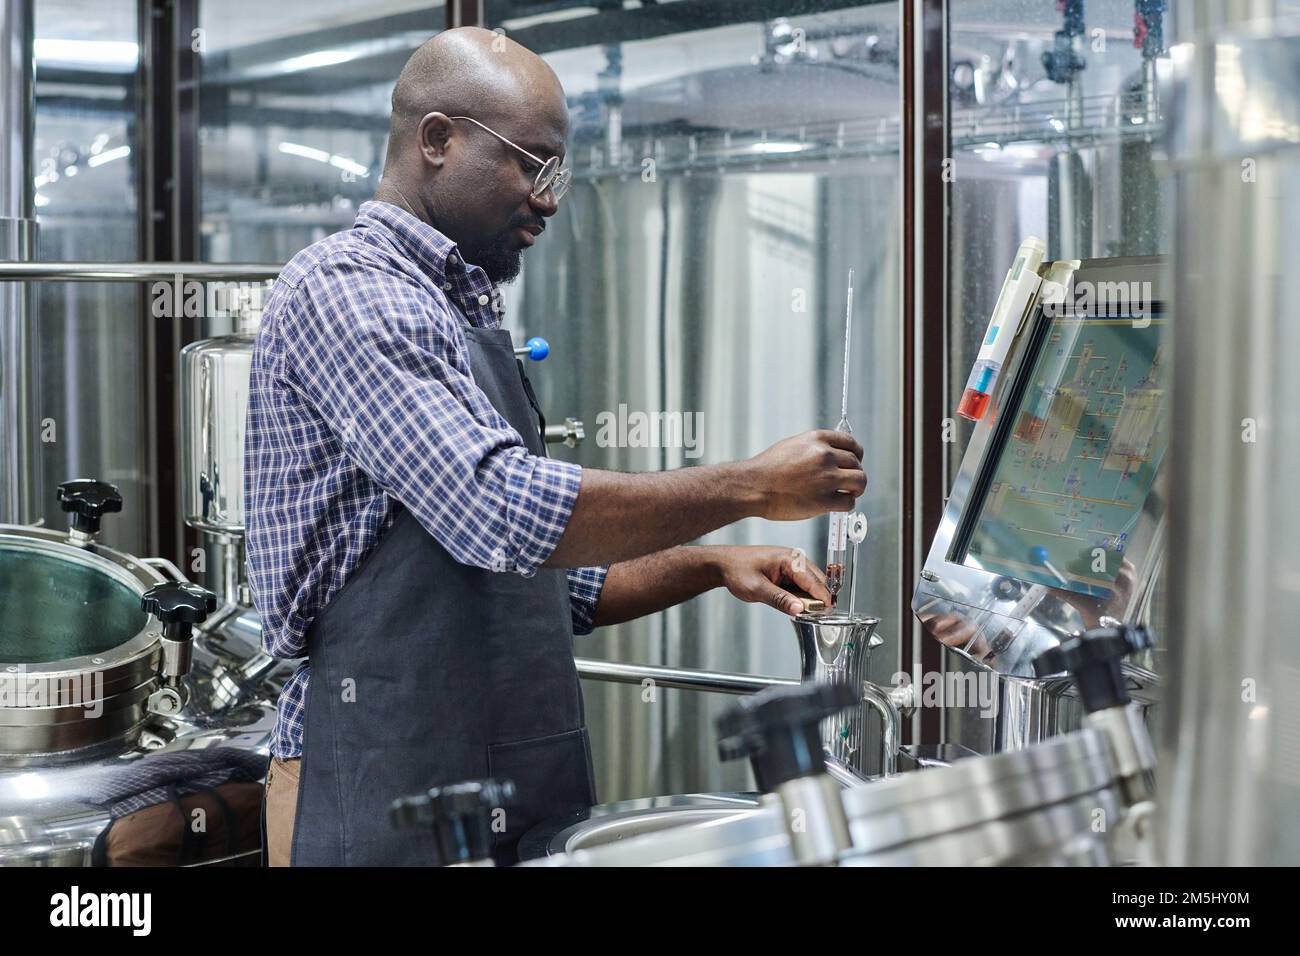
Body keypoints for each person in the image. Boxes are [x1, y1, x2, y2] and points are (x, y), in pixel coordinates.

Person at [245, 26, 866, 866]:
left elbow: (542, 585)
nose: (548, 197)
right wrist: (749, 484)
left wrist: (712, 563)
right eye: (530, 163)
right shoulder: (350, 292)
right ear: (437, 140)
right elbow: (502, 513)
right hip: (382, 776)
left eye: (557, 171)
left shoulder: (459, 306)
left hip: (510, 773)